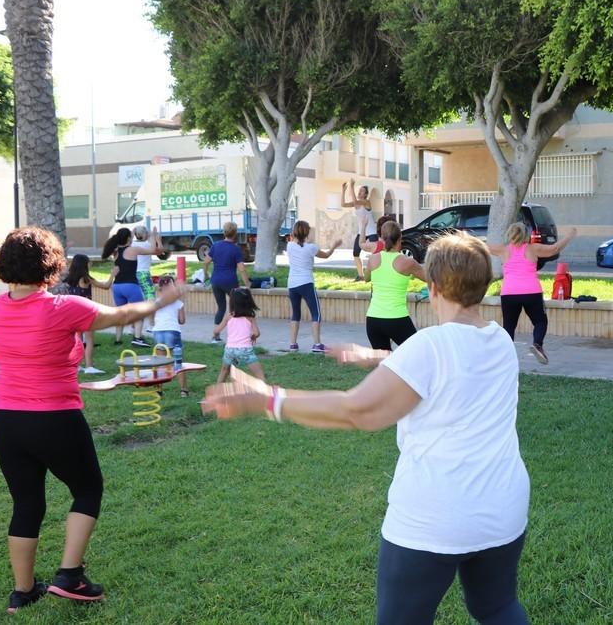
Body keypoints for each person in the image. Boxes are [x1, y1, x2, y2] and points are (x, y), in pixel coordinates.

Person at [202, 232, 530, 625]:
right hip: (502, 509)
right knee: (496, 608)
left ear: (433, 285)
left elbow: (358, 411)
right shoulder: (498, 340)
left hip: (435, 519)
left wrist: (265, 398)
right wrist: (380, 359)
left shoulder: (429, 347)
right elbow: (452, 369)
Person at [0, 227, 184, 613]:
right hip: (53, 417)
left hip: (6, 420)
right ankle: (69, 575)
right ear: (52, 264)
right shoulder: (61, 307)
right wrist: (163, 299)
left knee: (26, 503)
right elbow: (122, 315)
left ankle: (22, 592)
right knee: (88, 488)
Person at [490, 222, 576, 365]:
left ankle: (505, 355)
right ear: (526, 235)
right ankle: (537, 344)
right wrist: (570, 235)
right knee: (540, 321)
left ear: (510, 234)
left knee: (509, 326)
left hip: (509, 293)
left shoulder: (503, 250)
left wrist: (464, 237)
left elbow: (481, 246)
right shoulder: (533, 249)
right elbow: (555, 248)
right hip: (531, 292)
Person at [365, 220, 426, 350]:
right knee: (418, 354)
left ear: (381, 238)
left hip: (373, 320)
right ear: (400, 238)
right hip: (396, 319)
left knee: (384, 364)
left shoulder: (373, 259)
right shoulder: (407, 262)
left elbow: (366, 278)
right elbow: (431, 279)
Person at [101, 228, 163, 347]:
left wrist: (132, 234)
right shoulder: (133, 250)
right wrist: (155, 237)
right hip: (130, 286)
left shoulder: (116, 251)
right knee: (139, 312)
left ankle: (118, 340)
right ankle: (137, 338)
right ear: (129, 238)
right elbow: (154, 250)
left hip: (117, 287)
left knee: (120, 313)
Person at [286, 220, 342, 353]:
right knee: (316, 313)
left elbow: (295, 240)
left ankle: (293, 344)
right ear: (307, 233)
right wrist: (334, 246)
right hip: (306, 283)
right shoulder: (311, 248)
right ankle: (317, 344)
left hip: (292, 284)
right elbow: (327, 255)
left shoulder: (289, 246)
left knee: (295, 313)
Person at [64, 253, 116, 375]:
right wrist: (112, 275)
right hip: (85, 313)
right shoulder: (86, 278)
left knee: (77, 341)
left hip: (73, 313)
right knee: (89, 340)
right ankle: (89, 366)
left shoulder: (69, 279)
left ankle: (76, 365)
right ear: (84, 265)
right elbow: (106, 286)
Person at [206, 222, 251, 343]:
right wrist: (247, 284)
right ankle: (239, 335)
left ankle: (215, 336)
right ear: (235, 233)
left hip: (216, 281)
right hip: (230, 282)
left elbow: (206, 261)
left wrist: (206, 275)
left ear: (223, 232)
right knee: (237, 308)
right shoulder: (235, 249)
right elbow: (241, 268)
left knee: (221, 308)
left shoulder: (216, 246)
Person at [214, 287, 265, 383]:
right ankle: (265, 394)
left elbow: (216, 331)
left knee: (224, 371)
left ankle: (216, 393)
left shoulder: (229, 316)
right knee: (259, 375)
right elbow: (257, 333)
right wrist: (253, 336)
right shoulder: (250, 317)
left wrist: (216, 330)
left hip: (230, 350)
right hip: (245, 350)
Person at [151, 274, 189, 397]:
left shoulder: (157, 302)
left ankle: (158, 391)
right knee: (178, 362)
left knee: (160, 363)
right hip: (173, 332)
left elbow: (152, 320)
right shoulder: (178, 303)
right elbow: (182, 321)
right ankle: (183, 390)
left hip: (158, 332)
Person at [342, 179, 378, 281]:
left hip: (371, 232)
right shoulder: (357, 203)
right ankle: (360, 275)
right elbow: (343, 204)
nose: (359, 192)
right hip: (361, 233)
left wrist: (352, 187)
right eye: (359, 190)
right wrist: (343, 190)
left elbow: (355, 201)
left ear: (366, 194)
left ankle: (375, 275)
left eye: (362, 191)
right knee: (355, 253)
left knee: (375, 254)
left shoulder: (367, 202)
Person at [132, 225, 163, 334]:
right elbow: (159, 250)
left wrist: (134, 231)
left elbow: (132, 236)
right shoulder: (147, 245)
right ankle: (151, 324)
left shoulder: (132, 244)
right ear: (144, 235)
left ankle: (134, 325)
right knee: (150, 298)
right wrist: (155, 236)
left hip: (133, 274)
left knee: (136, 300)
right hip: (144, 274)